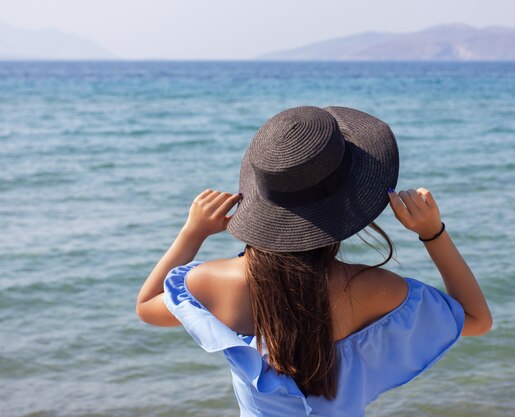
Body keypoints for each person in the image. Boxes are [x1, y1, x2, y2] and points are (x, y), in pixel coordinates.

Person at [136, 106, 492, 417]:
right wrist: (433, 233)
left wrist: (192, 233)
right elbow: (476, 319)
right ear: (350, 202)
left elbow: (147, 307)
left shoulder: (216, 282)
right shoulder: (374, 289)